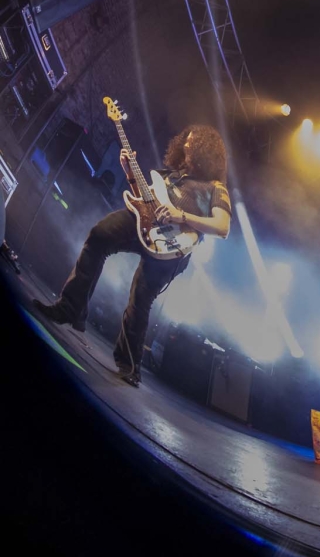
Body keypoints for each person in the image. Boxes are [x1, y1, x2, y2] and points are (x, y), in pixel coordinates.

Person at [33, 126, 231, 386]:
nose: (187, 140)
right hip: (142, 222)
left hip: (174, 244)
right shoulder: (169, 175)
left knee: (141, 295)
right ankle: (70, 308)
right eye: (187, 138)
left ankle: (130, 365)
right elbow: (143, 199)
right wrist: (129, 172)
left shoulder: (215, 188)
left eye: (194, 139)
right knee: (99, 235)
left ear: (206, 150)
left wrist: (181, 216)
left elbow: (222, 226)